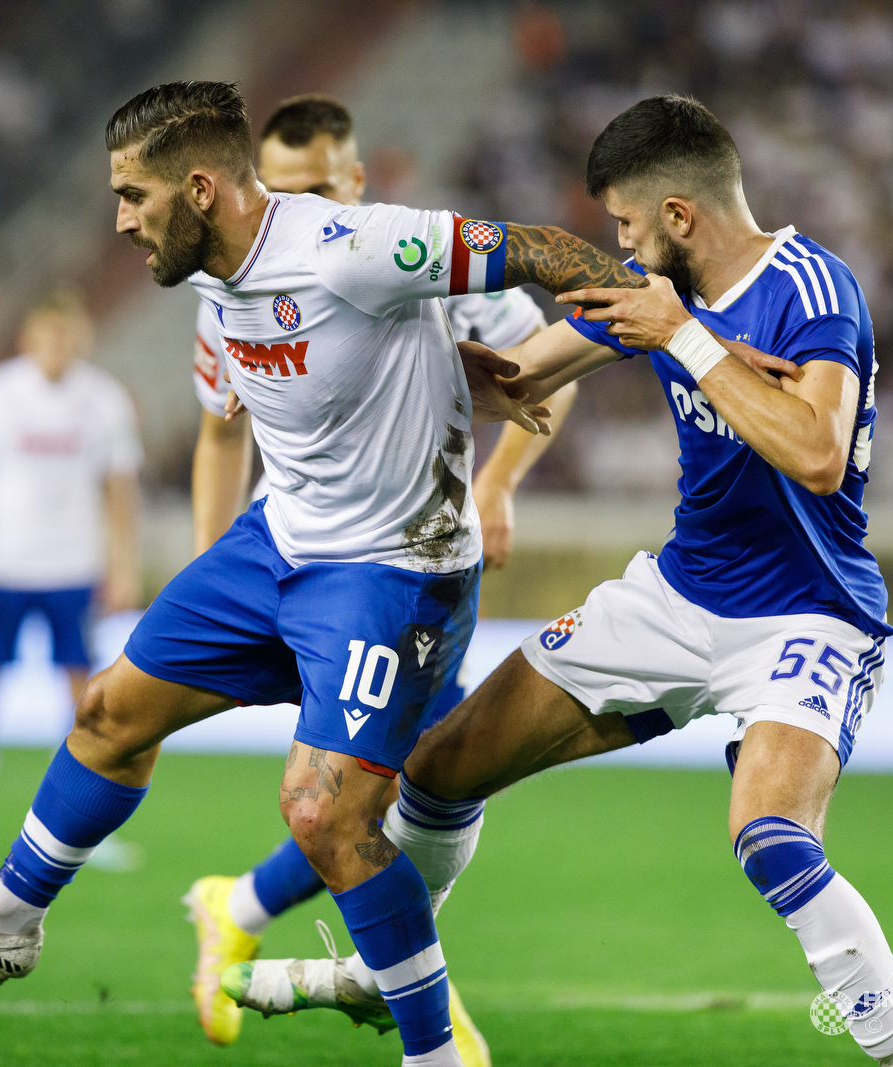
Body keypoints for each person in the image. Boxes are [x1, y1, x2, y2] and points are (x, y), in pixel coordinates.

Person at [0, 79, 641, 1067]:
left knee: (329, 811)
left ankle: (435, 1052)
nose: (118, 221)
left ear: (195, 190)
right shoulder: (203, 277)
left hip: (389, 571)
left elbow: (530, 248)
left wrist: (632, 313)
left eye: (131, 197)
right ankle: (6, 915)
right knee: (109, 710)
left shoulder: (351, 250)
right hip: (271, 546)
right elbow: (243, 420)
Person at [261, 95, 893, 1066]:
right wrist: (362, 360)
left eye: (623, 222)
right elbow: (519, 371)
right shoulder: (650, 293)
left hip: (808, 614)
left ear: (677, 216)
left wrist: (683, 336)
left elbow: (818, 452)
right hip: (675, 599)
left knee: (772, 835)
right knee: (440, 768)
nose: (613, 242)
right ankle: (387, 971)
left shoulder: (809, 286)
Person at [182, 93, 574, 1058]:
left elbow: (539, 382)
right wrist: (216, 567)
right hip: (329, 572)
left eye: (316, 186)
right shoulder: (233, 276)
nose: (294, 207)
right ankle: (424, 1016)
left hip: (422, 556)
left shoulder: (414, 256)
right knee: (401, 781)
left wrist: (497, 485)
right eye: (278, 188)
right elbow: (217, 431)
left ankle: (244, 905)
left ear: (355, 182)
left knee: (408, 777)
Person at [0, 291, 143, 869]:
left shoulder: (105, 402)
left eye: (67, 335)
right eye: (47, 335)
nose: (57, 347)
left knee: (85, 704)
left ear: (82, 338)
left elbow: (120, 491)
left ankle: (84, 831)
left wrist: (122, 564)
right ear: (29, 338)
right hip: (1, 567)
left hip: (73, 569)